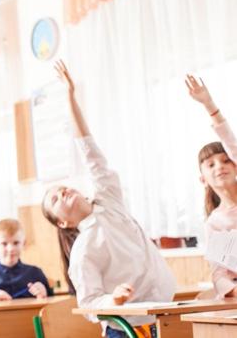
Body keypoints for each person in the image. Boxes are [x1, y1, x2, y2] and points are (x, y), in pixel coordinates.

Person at [41, 61, 176, 338]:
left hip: (163, 317)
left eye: (63, 188)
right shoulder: (83, 249)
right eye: (55, 199)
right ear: (64, 222)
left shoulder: (109, 200)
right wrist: (113, 299)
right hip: (126, 329)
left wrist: (71, 98)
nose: (62, 192)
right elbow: (89, 304)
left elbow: (90, 152)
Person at [185, 74, 237, 297]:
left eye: (226, 160)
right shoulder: (215, 222)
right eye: (211, 164)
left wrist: (208, 104)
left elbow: (231, 142)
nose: (220, 167)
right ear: (203, 179)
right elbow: (219, 274)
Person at [0, 218, 52, 302]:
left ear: (23, 243)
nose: (10, 249)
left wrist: (44, 295)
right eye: (4, 243)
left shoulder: (36, 273)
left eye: (16, 243)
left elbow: (52, 306)